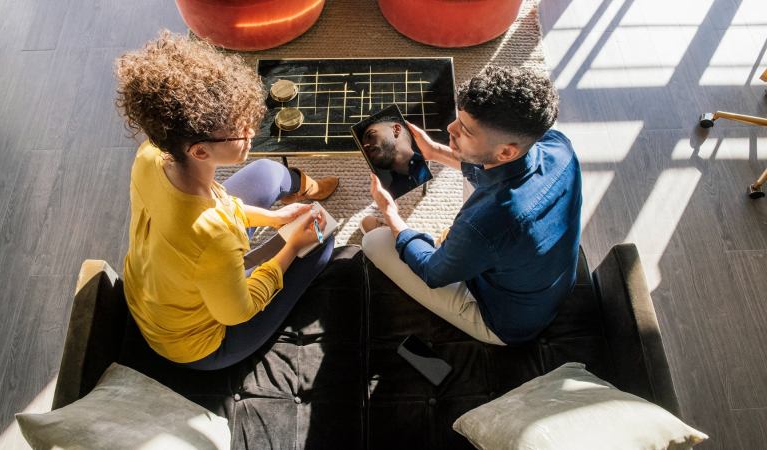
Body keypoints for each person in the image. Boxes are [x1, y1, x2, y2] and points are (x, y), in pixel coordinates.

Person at [116, 31, 339, 370]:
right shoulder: (213, 237)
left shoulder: (152, 154)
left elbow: (220, 204)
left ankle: (303, 189)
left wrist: (275, 220)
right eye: (239, 130)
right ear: (200, 151)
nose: (251, 132)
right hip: (200, 343)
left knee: (267, 172)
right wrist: (292, 246)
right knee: (322, 241)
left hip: (160, 287)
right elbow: (239, 311)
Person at [361, 66, 582, 345]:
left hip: (507, 322)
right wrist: (435, 151)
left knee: (374, 240)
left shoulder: (483, 223)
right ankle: (461, 251)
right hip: (543, 282)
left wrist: (390, 213)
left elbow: (432, 272)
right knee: (476, 174)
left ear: (506, 151)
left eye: (464, 130)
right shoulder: (558, 145)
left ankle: (422, 240)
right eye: (458, 119)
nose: (449, 129)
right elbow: (490, 169)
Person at [361, 117, 430, 198]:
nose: (365, 146)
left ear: (396, 129)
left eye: (370, 135)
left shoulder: (428, 168)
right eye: (363, 146)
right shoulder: (389, 193)